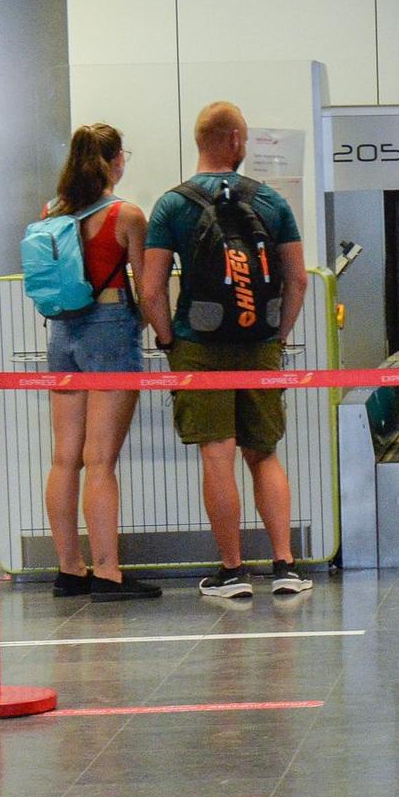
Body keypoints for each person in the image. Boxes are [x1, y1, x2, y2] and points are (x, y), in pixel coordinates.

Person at [139, 102, 311, 599]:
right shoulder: (271, 201)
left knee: (218, 456)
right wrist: (276, 338)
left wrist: (170, 341)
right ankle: (285, 566)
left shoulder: (172, 205)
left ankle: (233, 573)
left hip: (198, 344)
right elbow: (297, 279)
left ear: (200, 141)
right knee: (264, 454)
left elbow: (151, 290)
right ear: (236, 139)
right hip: (258, 344)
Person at [40, 124, 160, 602]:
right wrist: (163, 333)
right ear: (114, 161)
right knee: (101, 460)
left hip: (61, 332)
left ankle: (70, 569)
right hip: (109, 328)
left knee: (64, 458)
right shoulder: (126, 215)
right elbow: (147, 288)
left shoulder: (51, 211)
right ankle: (108, 572)